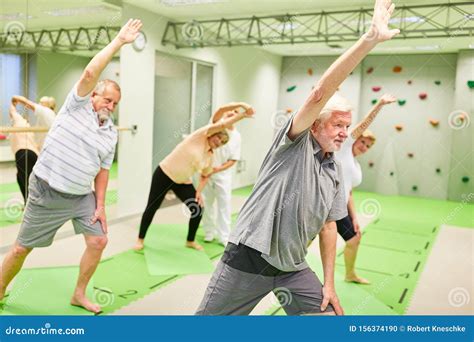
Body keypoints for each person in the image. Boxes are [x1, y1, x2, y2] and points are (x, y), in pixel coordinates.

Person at [196, 0, 399, 316]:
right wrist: (368, 40)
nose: (345, 132)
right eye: (337, 125)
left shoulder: (334, 170)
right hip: (250, 257)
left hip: (292, 266)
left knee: (330, 319)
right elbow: (320, 92)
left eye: (348, 125)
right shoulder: (294, 143)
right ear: (317, 125)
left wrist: (329, 284)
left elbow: (329, 227)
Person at [0, 19, 143, 314]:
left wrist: (101, 204)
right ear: (93, 95)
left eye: (115, 103)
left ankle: (79, 293)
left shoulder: (110, 132)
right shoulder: (75, 106)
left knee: (99, 240)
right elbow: (91, 71)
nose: (110, 106)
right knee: (20, 248)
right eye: (107, 99)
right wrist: (118, 42)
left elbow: (104, 170)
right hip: (46, 191)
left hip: (81, 197)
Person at [135, 103, 254, 251]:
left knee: (198, 208)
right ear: (213, 134)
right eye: (219, 139)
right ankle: (140, 239)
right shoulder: (200, 136)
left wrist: (198, 192)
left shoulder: (210, 155)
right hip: (165, 173)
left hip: (182, 181)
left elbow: (205, 175)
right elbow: (224, 122)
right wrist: (242, 114)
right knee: (152, 206)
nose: (219, 143)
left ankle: (190, 241)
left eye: (222, 143)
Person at [336, 93, 396, 285]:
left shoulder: (356, 166)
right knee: (306, 241)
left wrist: (354, 217)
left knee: (354, 238)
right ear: (355, 139)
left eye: (368, 146)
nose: (364, 147)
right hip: (324, 205)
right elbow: (363, 124)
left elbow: (349, 192)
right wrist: (380, 104)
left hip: (340, 208)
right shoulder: (343, 149)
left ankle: (350, 274)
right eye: (363, 142)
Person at [202, 110, 242, 246]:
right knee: (207, 203)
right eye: (229, 113)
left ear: (237, 118)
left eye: (234, 114)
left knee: (224, 205)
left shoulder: (237, 136)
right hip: (206, 173)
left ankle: (224, 236)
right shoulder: (216, 127)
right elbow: (218, 114)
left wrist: (217, 169)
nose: (231, 115)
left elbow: (233, 159)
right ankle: (209, 232)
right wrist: (209, 170)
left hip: (223, 175)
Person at [8, 101, 39, 203]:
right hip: (33, 154)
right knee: (26, 178)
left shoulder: (19, 121)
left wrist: (13, 102)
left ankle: (30, 203)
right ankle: (32, 202)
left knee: (24, 179)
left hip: (23, 153)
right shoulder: (29, 128)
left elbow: (12, 111)